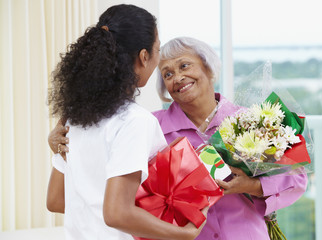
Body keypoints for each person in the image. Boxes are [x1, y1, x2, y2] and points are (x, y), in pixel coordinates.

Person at [50, 37, 308, 239]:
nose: (177, 78)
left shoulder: (251, 120)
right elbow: (106, 166)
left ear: (207, 67)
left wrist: (249, 185)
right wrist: (59, 139)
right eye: (167, 74)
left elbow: (296, 178)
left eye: (184, 65)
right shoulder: (148, 126)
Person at [46, 5, 207, 240]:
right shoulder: (134, 121)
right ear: (144, 57)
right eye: (157, 49)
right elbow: (116, 213)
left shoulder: (74, 118)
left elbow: (56, 200)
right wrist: (183, 234)